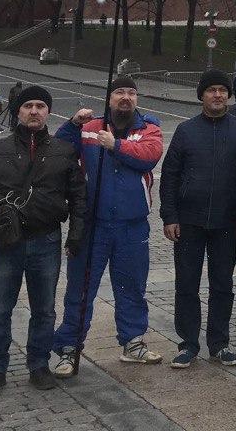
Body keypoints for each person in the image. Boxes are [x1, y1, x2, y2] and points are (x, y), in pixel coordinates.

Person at [0, 85, 86, 396]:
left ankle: (39, 364)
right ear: (17, 111)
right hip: (7, 242)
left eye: (40, 106)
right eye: (28, 106)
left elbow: (79, 198)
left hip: (45, 240)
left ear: (48, 112)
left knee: (44, 309)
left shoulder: (64, 151)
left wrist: (76, 234)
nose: (34, 111)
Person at [49, 76, 165, 375]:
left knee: (131, 286)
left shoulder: (148, 128)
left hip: (132, 225)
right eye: (119, 92)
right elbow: (59, 149)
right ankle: (69, 348)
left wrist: (117, 145)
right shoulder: (91, 129)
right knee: (81, 287)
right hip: (92, 225)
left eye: (131, 93)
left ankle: (133, 342)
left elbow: (149, 156)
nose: (125, 97)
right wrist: (73, 124)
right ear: (109, 98)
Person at [160, 69, 236, 368]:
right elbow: (170, 176)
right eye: (211, 90)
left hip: (227, 222)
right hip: (189, 220)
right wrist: (169, 215)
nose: (217, 95)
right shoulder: (186, 131)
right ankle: (188, 343)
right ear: (201, 95)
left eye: (222, 90)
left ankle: (219, 343)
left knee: (222, 284)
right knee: (187, 284)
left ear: (229, 95)